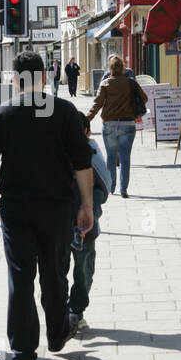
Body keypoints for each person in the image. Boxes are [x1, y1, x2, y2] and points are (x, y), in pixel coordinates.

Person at [0, 50, 94, 360]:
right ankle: (56, 333)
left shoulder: (2, 115)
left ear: (14, 80)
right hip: (56, 208)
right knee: (55, 272)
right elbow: (82, 162)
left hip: (16, 210)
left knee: (20, 277)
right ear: (44, 77)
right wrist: (86, 205)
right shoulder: (65, 112)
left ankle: (23, 355)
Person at [69, 112, 111, 332]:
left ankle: (74, 311)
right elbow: (105, 187)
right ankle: (71, 312)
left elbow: (102, 187)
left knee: (81, 271)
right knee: (80, 271)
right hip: (71, 226)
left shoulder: (92, 153)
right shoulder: (57, 154)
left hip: (82, 227)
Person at [87, 55, 146, 198]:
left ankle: (111, 186)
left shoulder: (105, 84)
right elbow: (144, 98)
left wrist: (86, 119)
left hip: (109, 124)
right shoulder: (131, 83)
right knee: (125, 158)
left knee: (111, 157)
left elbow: (97, 104)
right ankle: (124, 189)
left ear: (110, 69)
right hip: (128, 124)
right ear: (123, 68)